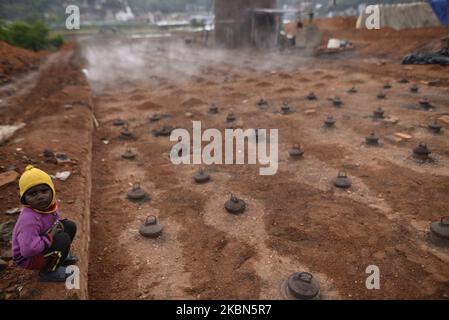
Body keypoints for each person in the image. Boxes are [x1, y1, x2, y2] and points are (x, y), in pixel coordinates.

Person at [11, 165, 77, 282]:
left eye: (44, 191)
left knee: (69, 226)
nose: (40, 197)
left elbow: (52, 219)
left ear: (52, 190)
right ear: (24, 198)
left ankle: (60, 256)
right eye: (33, 194)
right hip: (30, 258)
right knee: (62, 239)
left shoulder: (48, 205)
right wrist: (50, 237)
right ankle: (48, 271)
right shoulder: (29, 220)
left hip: (41, 241)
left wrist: (57, 226)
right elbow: (27, 251)